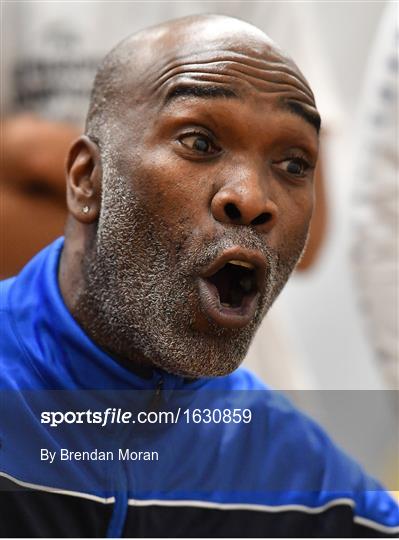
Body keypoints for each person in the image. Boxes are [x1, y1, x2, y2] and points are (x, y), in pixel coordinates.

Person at [0, 15, 397, 538]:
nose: (252, 198)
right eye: (200, 142)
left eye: (294, 164)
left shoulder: (288, 468)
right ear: (87, 180)